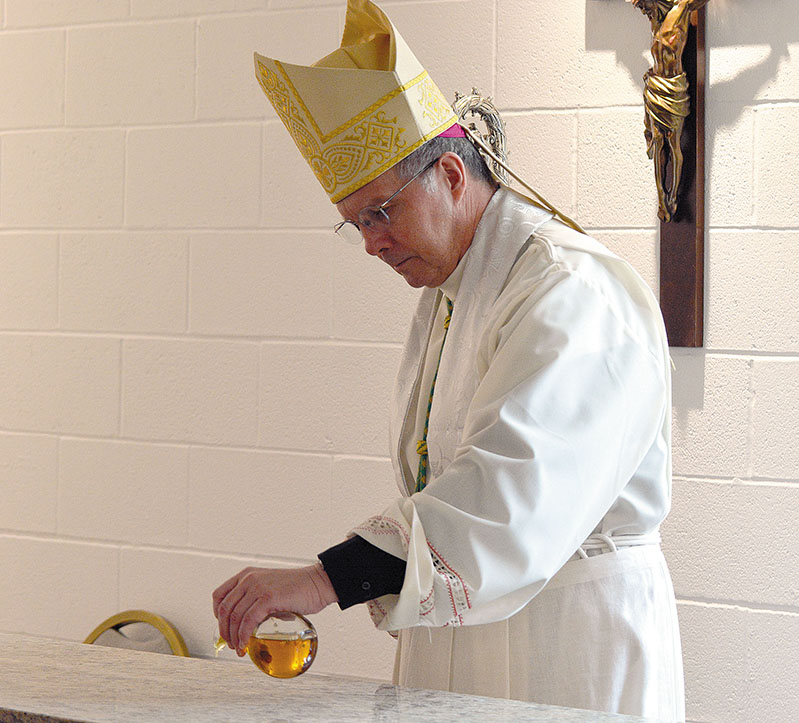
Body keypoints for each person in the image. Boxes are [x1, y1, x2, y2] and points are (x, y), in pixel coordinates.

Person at [213, 1, 684, 718]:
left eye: (381, 211)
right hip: (467, 641)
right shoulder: (451, 292)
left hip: (566, 649)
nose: (371, 241)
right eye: (355, 221)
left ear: (453, 175)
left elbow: (509, 495)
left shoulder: (571, 290)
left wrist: (325, 579)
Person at [630, 0, 711, 222]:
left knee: (673, 142)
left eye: (643, 5)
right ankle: (661, 198)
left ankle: (673, 195)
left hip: (673, 88)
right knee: (657, 141)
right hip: (655, 86)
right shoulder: (655, 24)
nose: (643, 10)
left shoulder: (680, 9)